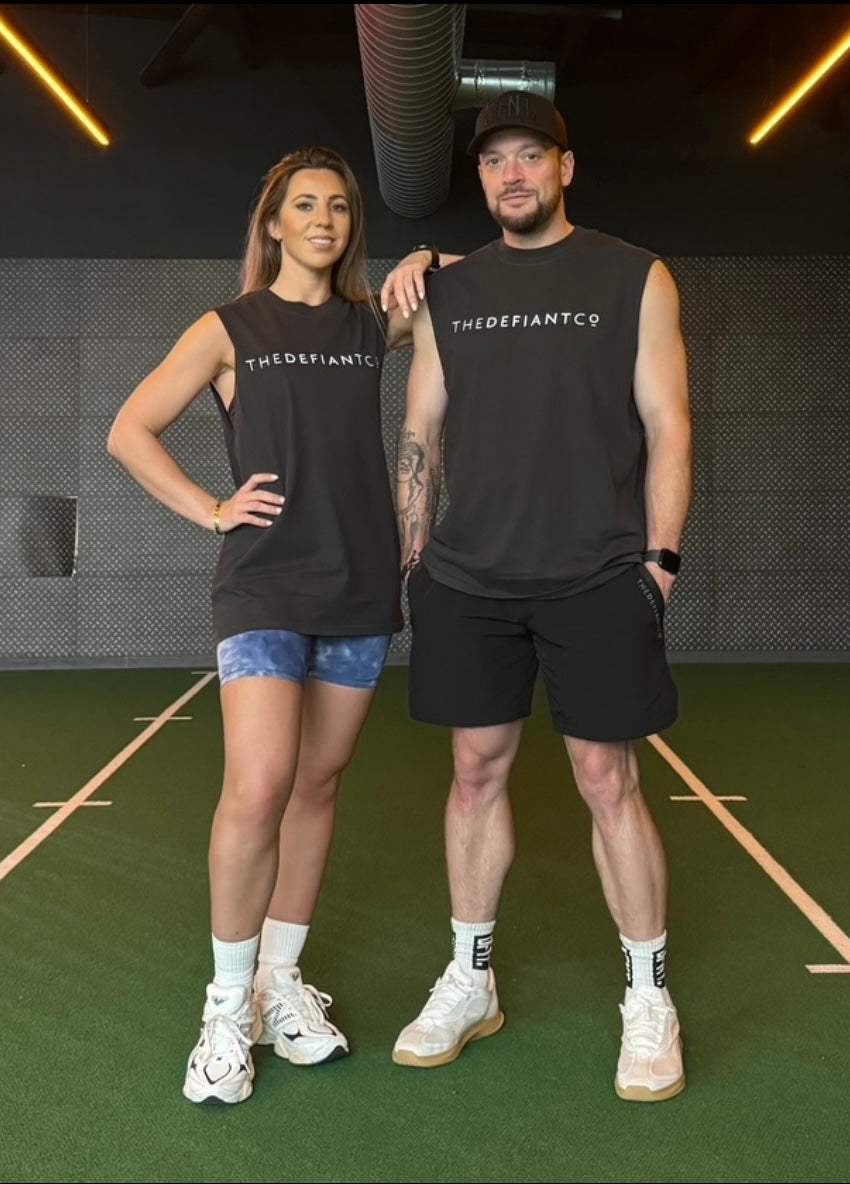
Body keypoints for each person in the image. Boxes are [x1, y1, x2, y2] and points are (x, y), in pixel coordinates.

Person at [107, 146, 430, 1105]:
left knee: (317, 785)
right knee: (257, 787)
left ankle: (282, 984)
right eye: (305, 205)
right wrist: (210, 508)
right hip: (263, 588)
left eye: (339, 205)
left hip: (362, 585)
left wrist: (431, 261)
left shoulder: (371, 325)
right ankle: (225, 1005)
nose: (325, 218)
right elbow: (130, 429)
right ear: (274, 224)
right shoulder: (229, 327)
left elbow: (464, 282)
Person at [386, 90, 693, 1102]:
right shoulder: (449, 291)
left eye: (531, 156)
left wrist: (658, 560)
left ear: (566, 166)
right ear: (479, 178)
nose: (511, 174)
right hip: (468, 576)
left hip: (598, 571)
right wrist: (411, 551)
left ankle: (648, 997)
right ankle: (469, 977)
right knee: (474, 768)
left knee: (606, 778)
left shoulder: (633, 273)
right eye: (493, 161)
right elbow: (420, 417)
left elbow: (667, 419)